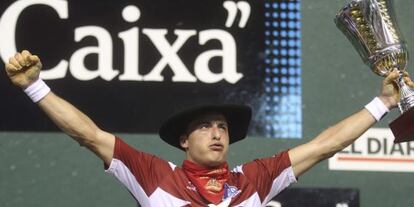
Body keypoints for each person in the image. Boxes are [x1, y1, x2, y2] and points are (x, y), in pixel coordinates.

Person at [4, 50, 413, 207]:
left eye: (222, 127)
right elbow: (88, 135)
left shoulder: (255, 179)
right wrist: (35, 87)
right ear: (184, 140)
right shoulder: (153, 176)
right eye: (204, 127)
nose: (218, 133)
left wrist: (385, 103)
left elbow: (324, 146)